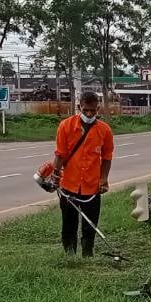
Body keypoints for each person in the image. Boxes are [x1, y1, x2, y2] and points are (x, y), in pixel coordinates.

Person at [52, 89, 113, 257]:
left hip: (92, 187)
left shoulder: (104, 130)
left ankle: (87, 254)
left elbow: (107, 158)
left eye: (93, 110)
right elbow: (60, 154)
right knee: (68, 223)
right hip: (68, 185)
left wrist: (103, 179)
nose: (89, 114)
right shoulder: (65, 126)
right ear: (79, 107)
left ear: (98, 109)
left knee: (90, 224)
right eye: (85, 110)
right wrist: (55, 176)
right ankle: (70, 254)